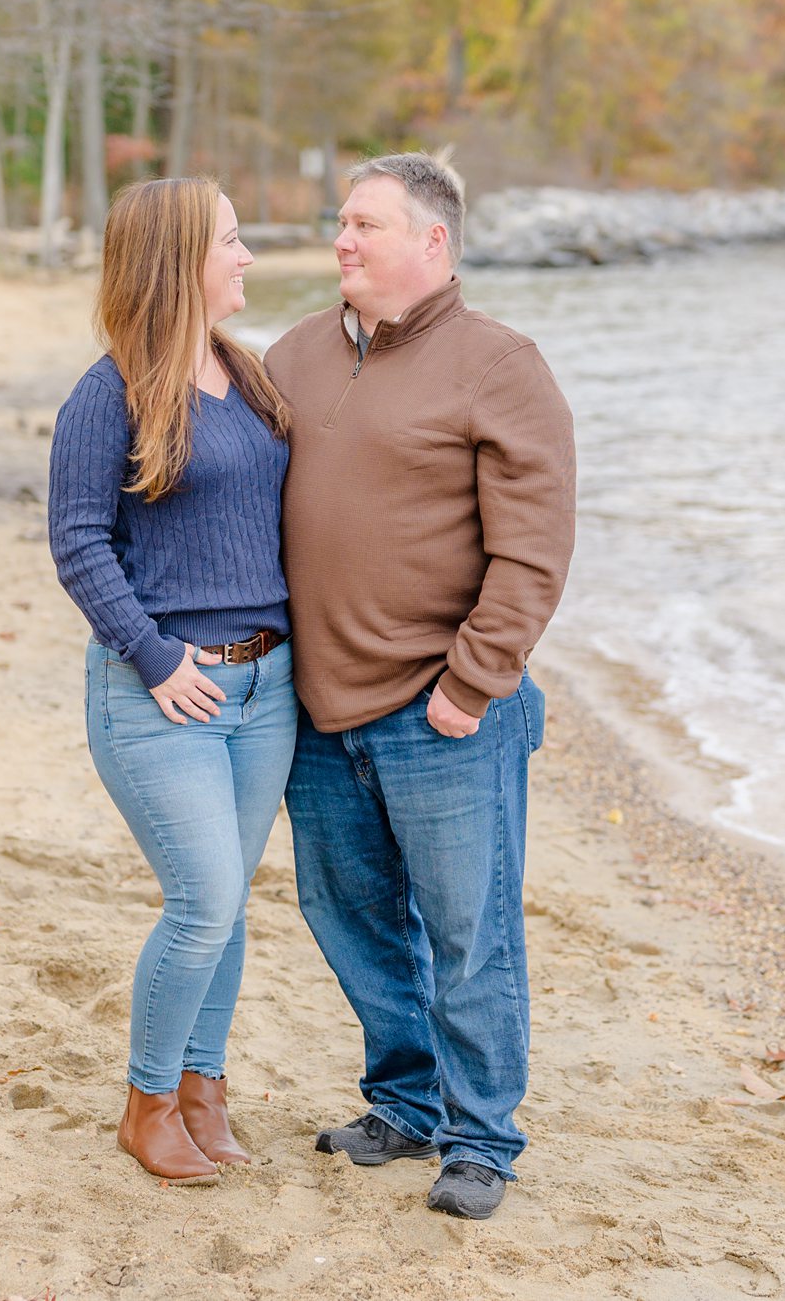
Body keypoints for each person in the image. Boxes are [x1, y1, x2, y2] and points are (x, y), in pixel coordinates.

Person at [264, 151, 576, 1220]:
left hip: (444, 712)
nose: (341, 241)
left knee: (466, 932)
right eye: (340, 223)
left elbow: (534, 550)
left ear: (432, 242)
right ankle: (403, 1103)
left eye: (366, 226)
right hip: (317, 709)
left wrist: (473, 680)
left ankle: (480, 1136)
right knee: (350, 918)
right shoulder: (296, 353)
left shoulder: (500, 364)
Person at [47, 177, 296, 1184]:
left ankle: (205, 1092)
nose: (246, 257)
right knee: (201, 898)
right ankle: (148, 1101)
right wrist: (152, 655)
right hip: (163, 694)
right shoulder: (107, 393)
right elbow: (77, 542)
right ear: (180, 260)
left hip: (265, 691)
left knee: (228, 900)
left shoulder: (250, 373)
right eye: (231, 241)